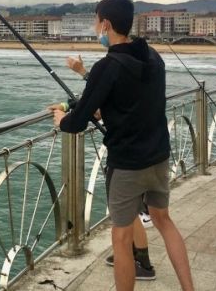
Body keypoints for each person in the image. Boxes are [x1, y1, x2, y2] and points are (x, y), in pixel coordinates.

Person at [50, 0, 194, 291]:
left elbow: (77, 122)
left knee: (121, 237)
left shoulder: (109, 65)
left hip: (128, 163)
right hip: (159, 156)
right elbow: (133, 98)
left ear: (105, 24)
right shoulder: (153, 56)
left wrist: (60, 118)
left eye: (95, 21)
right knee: (164, 220)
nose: (95, 27)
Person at [65, 54, 155, 281]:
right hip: (145, 151)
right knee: (129, 210)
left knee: (127, 212)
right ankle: (132, 255)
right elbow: (118, 98)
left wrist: (64, 118)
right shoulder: (144, 65)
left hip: (126, 155)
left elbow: (104, 92)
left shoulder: (117, 65)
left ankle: (141, 262)